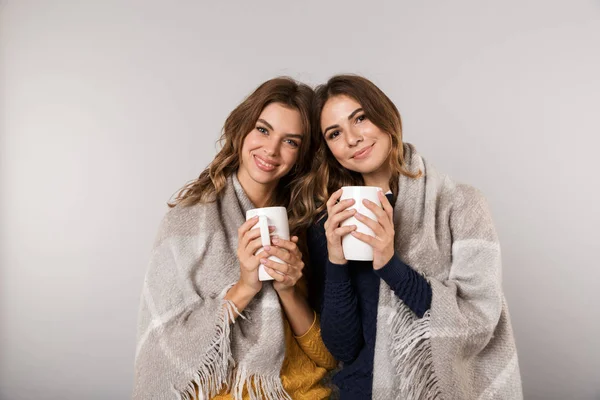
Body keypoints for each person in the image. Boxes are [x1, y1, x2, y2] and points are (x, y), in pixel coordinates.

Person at [305, 74, 523, 399]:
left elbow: (479, 321)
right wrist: (336, 260)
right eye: (335, 133)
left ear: (386, 116)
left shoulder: (461, 205)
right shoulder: (332, 221)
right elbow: (343, 349)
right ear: (330, 148)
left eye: (360, 118)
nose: (351, 139)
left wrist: (390, 264)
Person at [133, 77, 336, 400]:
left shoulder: (303, 226)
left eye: (291, 141)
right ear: (242, 129)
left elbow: (326, 356)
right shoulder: (187, 222)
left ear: (301, 154)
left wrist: (287, 290)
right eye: (263, 129)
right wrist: (245, 287)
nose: (271, 149)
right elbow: (164, 354)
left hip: (305, 392)